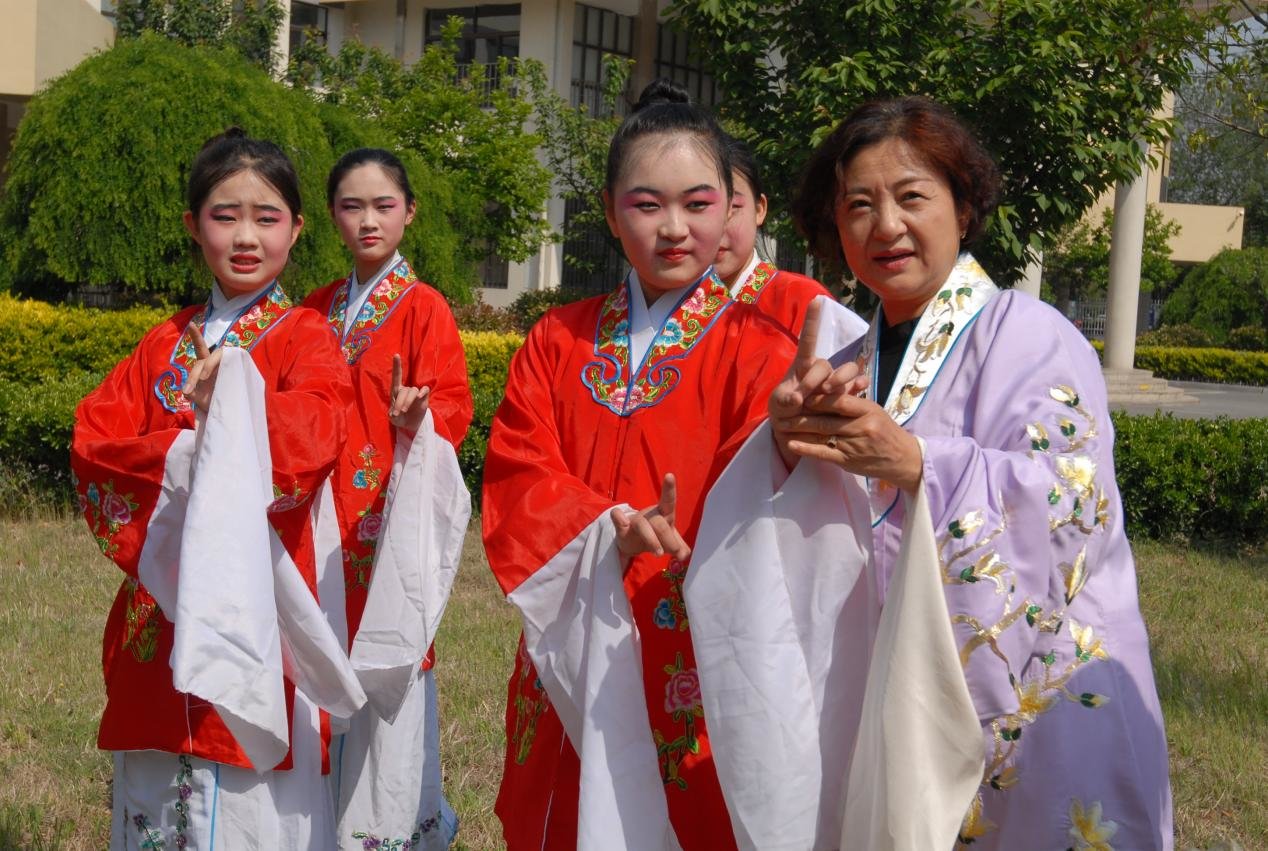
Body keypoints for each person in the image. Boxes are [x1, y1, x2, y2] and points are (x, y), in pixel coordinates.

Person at [686, 97, 1172, 850]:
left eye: (912, 196)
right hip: (887, 698)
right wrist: (782, 446)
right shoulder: (845, 364)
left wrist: (919, 464)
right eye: (858, 205)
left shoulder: (1033, 335)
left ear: (963, 206)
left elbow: (1074, 504)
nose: (886, 226)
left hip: (1028, 711)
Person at [481, 79, 799, 851]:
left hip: (688, 642)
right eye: (646, 204)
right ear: (608, 207)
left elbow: (769, 505)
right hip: (577, 632)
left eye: (697, 203)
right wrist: (607, 525)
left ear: (734, 206)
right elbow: (518, 469)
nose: (674, 228)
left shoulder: (761, 348)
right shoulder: (557, 340)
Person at [71, 128, 364, 849]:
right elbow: (94, 442)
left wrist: (236, 405)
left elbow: (317, 432)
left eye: (267, 217)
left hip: (259, 603)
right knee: (154, 784)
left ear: (297, 228)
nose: (245, 235)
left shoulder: (306, 337)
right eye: (223, 215)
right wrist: (188, 455)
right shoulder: (161, 344)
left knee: (255, 798)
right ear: (192, 224)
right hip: (163, 612)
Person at [303, 147, 473, 851]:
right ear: (333, 216)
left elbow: (455, 407)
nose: (368, 220)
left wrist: (418, 420)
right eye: (352, 205)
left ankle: (388, 829)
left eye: (383, 205)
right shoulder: (315, 309)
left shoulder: (424, 307)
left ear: (410, 212)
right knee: (319, 662)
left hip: (387, 521)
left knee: (389, 667)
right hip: (321, 523)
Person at [713, 135, 834, 334]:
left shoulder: (805, 302)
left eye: (732, 207)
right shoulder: (662, 303)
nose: (715, 227)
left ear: (759, 209)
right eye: (696, 206)